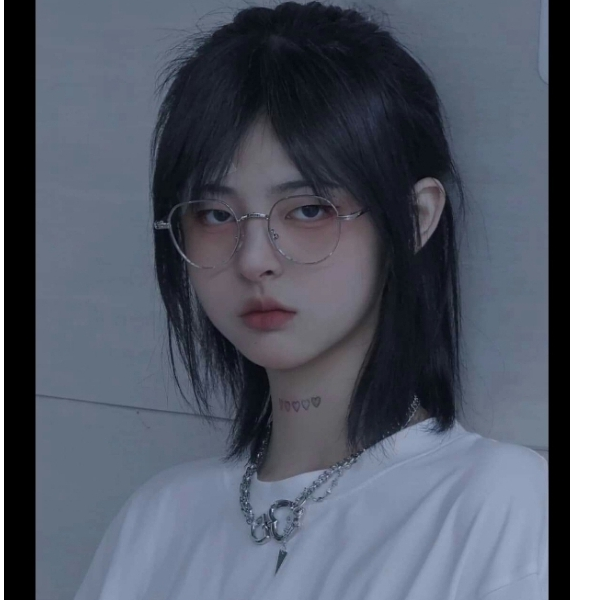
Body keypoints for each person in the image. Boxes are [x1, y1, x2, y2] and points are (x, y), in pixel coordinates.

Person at [74, 2, 548, 599]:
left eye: (308, 210)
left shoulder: (494, 505)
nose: (254, 259)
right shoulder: (157, 522)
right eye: (215, 215)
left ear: (414, 218)